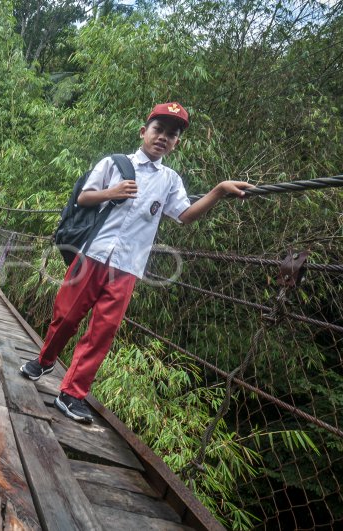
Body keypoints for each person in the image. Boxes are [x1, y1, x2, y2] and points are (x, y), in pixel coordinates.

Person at [20, 102, 253, 423]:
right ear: (144, 131)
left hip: (128, 267)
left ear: (176, 143)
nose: (163, 138)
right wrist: (111, 192)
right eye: (158, 130)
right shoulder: (114, 164)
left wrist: (218, 191)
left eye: (172, 135)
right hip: (92, 255)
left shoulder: (170, 180)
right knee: (66, 317)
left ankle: (72, 393)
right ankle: (45, 359)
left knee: (102, 332)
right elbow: (83, 198)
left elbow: (184, 217)